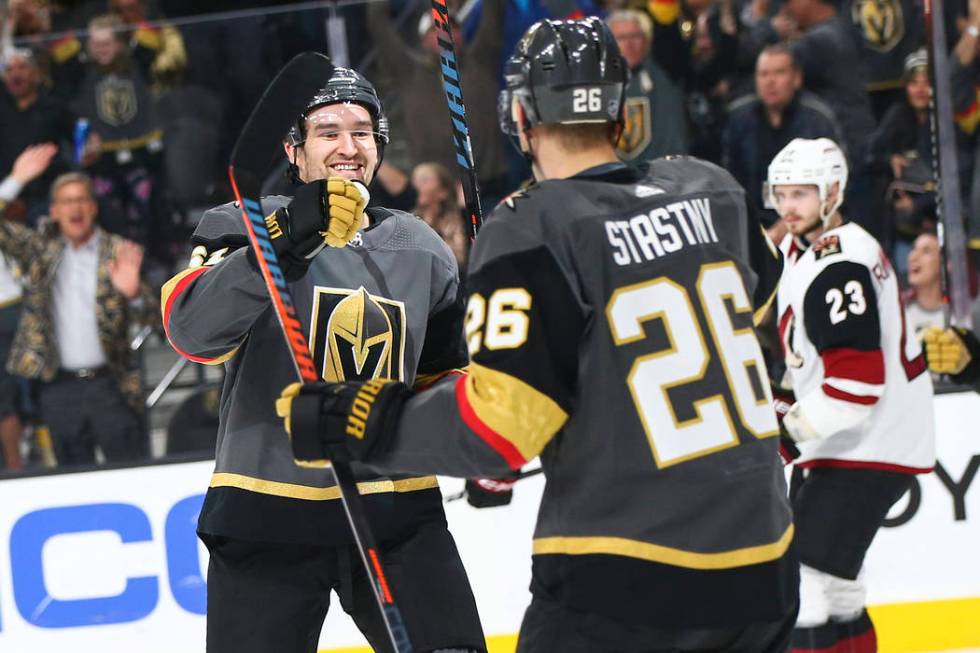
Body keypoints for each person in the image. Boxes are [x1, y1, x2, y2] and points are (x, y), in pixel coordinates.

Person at [278, 18, 798, 652]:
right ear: (620, 107)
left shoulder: (535, 224)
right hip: (767, 565)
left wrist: (359, 423)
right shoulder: (710, 187)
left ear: (520, 115)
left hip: (626, 576)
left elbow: (498, 433)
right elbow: (756, 300)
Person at [161, 67, 485, 653]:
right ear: (294, 149)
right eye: (327, 131)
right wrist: (283, 238)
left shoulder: (421, 246)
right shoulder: (240, 225)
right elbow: (191, 332)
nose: (348, 147)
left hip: (396, 511)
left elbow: (444, 378)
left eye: (363, 132)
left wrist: (478, 445)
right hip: (267, 517)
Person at [768, 137, 935, 651]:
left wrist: (784, 435)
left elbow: (856, 384)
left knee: (804, 589)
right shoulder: (808, 252)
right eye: (781, 193)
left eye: (801, 194)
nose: (788, 206)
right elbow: (814, 365)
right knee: (838, 593)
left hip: (865, 445)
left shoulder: (839, 264)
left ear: (832, 192)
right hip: (854, 443)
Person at [0, 171, 154, 466]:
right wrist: (17, 179)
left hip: (111, 386)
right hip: (59, 390)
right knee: (71, 482)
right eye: (67, 201)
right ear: (54, 211)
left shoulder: (119, 251)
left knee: (130, 473)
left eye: (82, 199)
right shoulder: (40, 251)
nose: (76, 208)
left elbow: (157, 318)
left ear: (94, 207)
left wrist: (133, 294)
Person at [724, 44, 843, 239]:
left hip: (810, 227)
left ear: (796, 79)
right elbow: (731, 182)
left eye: (779, 73)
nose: (770, 82)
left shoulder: (818, 119)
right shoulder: (739, 118)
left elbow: (834, 185)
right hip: (752, 226)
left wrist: (781, 230)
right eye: (763, 74)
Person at [606, 9, 688, 161]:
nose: (629, 44)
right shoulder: (596, 84)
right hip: (611, 178)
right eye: (621, 38)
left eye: (635, 36)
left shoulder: (665, 72)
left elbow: (668, 28)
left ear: (646, 41)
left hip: (659, 175)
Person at [411, 162, 468, 269]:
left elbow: (458, 261)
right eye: (414, 180)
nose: (416, 185)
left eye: (424, 180)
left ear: (443, 191)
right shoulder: (407, 221)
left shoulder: (456, 221)